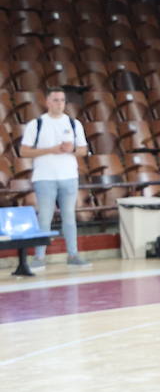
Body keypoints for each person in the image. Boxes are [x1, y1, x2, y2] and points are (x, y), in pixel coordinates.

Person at [19, 87, 90, 270]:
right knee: (45, 217)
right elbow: (24, 151)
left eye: (62, 100)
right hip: (44, 177)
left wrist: (71, 150)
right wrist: (50, 150)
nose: (60, 104)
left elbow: (83, 150)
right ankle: (39, 257)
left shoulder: (74, 123)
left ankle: (73, 254)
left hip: (69, 176)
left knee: (69, 217)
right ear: (47, 102)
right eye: (56, 100)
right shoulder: (37, 124)